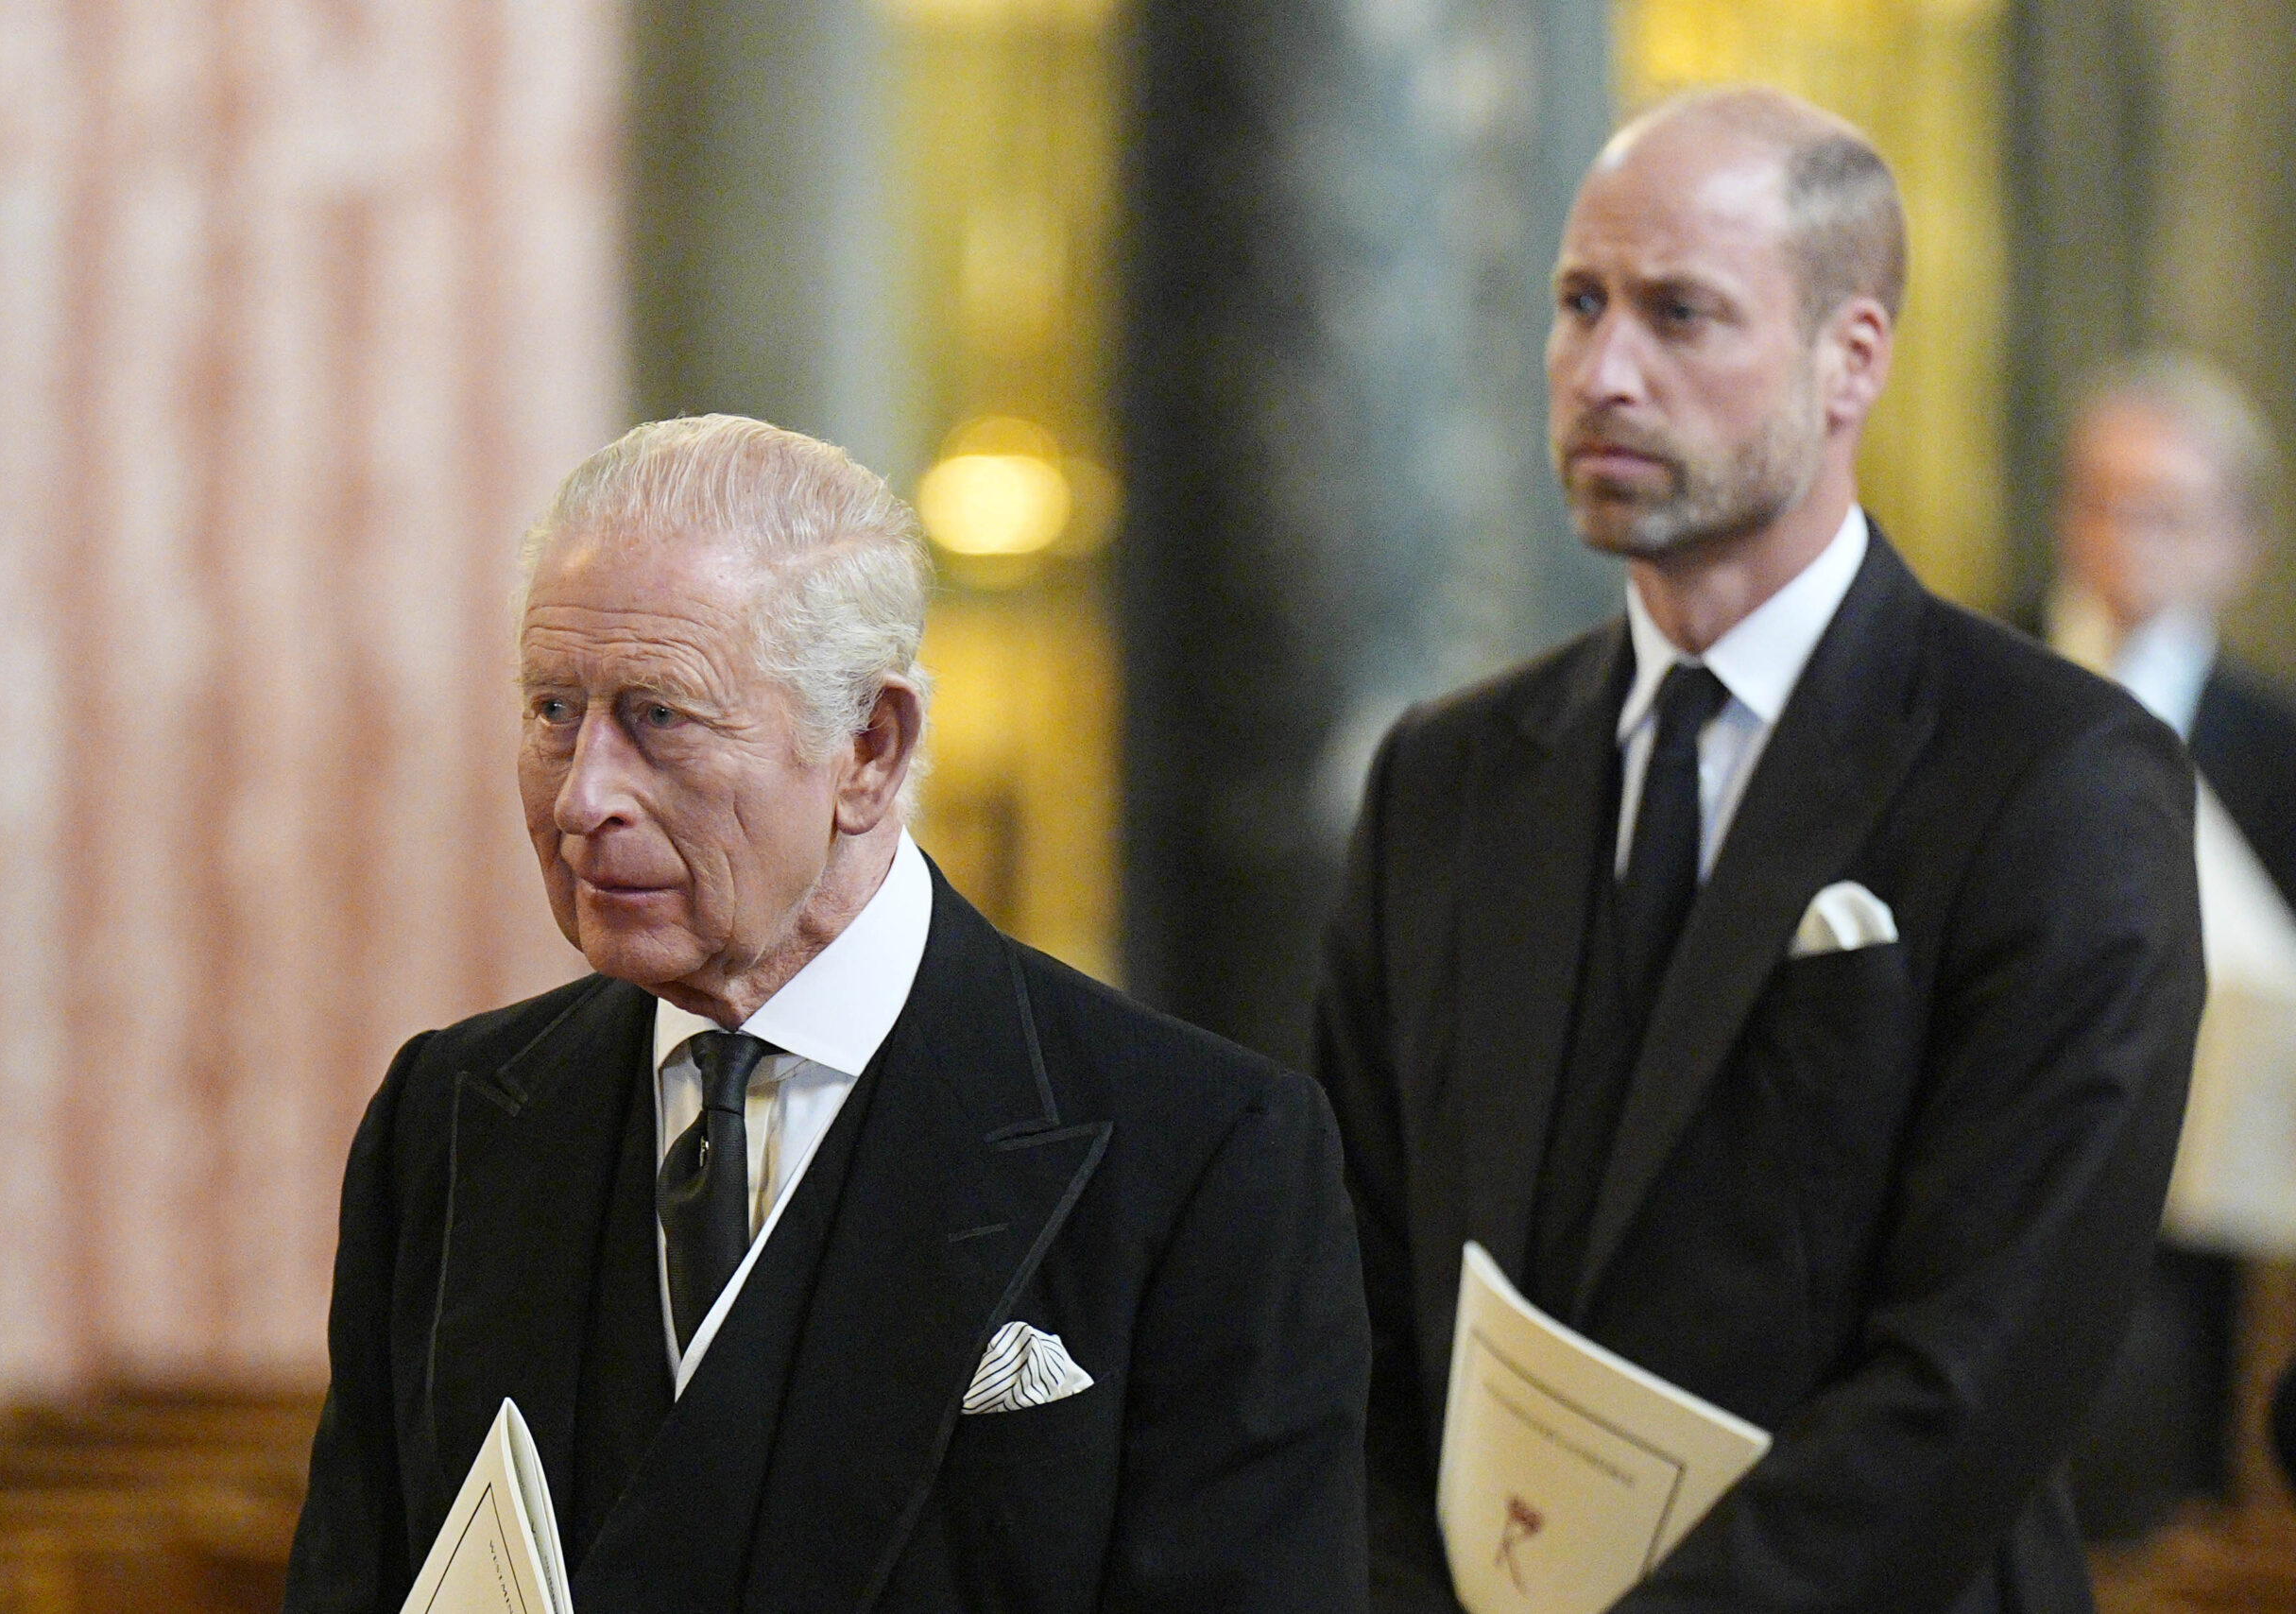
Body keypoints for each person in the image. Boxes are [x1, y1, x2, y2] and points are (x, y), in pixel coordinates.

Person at [1313, 87, 2203, 1613]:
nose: (1605, 370)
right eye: (1578, 303)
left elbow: (1983, 1368)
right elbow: (1349, 1290)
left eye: (1681, 313)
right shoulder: (1448, 775)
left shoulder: (2054, 775)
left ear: (1850, 355)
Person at [284, 415, 1370, 1612]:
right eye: (552, 711)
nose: (584, 796)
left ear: (868, 745)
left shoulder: (1204, 1152)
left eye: (659, 716)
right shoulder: (447, 1119)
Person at [2038, 355, 2296, 1537]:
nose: (2127, 537)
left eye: (2167, 512)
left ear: (2237, 540)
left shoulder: (2273, 744)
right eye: (2103, 501)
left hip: (2189, 1232)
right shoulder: (1969, 674)